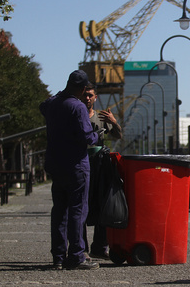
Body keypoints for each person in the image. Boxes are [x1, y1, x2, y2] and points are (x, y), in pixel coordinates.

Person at [40, 70, 101, 270]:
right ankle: (76, 255)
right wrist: (96, 135)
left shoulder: (53, 104)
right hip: (76, 165)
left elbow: (43, 105)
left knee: (59, 210)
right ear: (84, 89)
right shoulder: (78, 107)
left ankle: (58, 256)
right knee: (77, 210)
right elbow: (87, 137)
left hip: (55, 164)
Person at [81, 83, 122, 260]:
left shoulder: (100, 117)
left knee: (102, 204)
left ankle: (99, 247)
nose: (87, 98)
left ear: (95, 97)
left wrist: (114, 123)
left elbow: (117, 135)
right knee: (81, 206)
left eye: (90, 95)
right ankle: (81, 247)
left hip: (99, 164)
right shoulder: (76, 116)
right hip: (81, 164)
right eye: (85, 95)